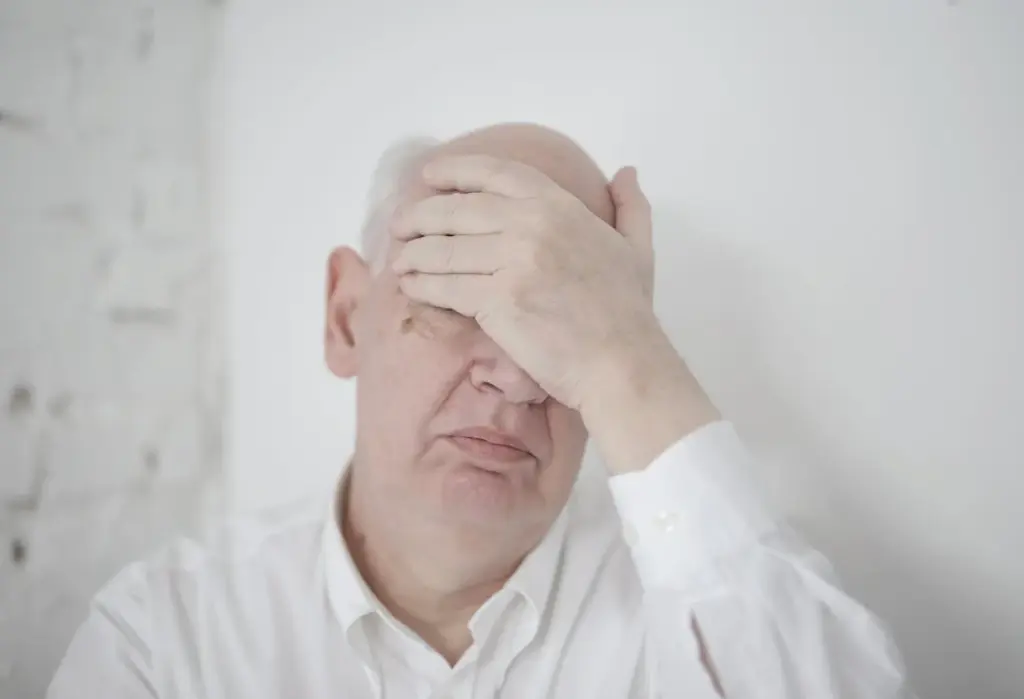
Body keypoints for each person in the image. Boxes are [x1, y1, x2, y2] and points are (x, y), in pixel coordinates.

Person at [48, 123, 915, 698]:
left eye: (559, 318)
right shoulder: (168, 641)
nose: (517, 378)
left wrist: (629, 359)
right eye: (462, 296)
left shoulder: (712, 615)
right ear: (348, 316)